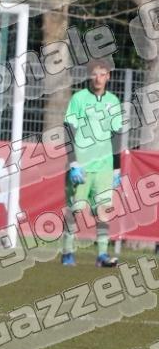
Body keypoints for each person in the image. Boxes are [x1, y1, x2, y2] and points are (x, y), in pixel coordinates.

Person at [63, 58, 123, 268]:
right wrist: (73, 163)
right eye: (95, 74)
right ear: (90, 76)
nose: (98, 78)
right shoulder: (79, 99)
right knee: (75, 210)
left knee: (103, 211)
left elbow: (116, 134)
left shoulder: (113, 101)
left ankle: (102, 255)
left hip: (105, 166)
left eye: (102, 74)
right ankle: (68, 252)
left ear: (108, 76)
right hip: (82, 165)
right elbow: (69, 130)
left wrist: (116, 168)